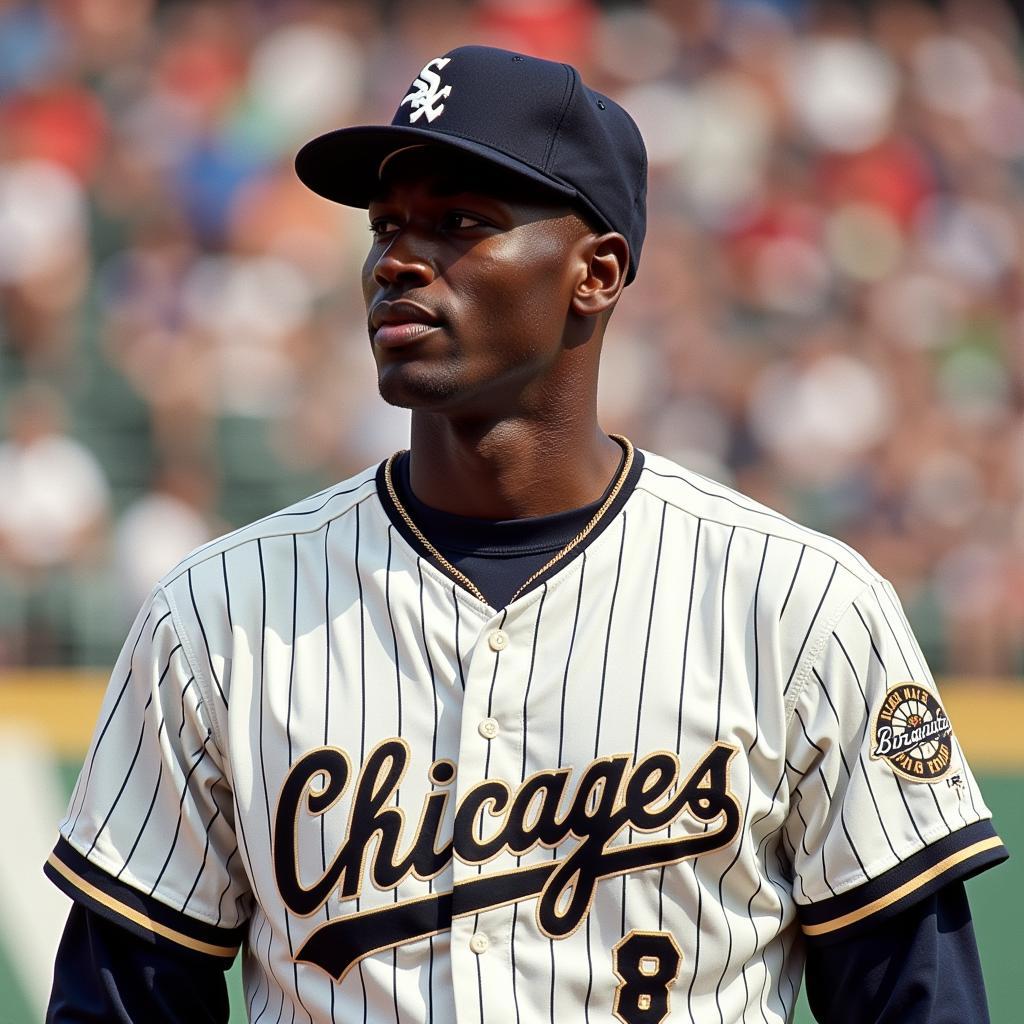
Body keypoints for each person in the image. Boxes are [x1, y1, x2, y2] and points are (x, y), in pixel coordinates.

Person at [46, 45, 1007, 1023]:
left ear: (596, 273)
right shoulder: (217, 610)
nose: (397, 260)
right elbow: (118, 1001)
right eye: (387, 226)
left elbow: (917, 1003)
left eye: (460, 222)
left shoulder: (801, 603)